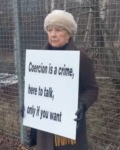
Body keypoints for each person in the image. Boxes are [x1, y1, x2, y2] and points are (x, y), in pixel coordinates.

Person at [25, 10, 98, 150]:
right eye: (49, 30)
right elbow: (36, 90)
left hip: (68, 127)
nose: (53, 35)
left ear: (69, 33)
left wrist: (82, 104)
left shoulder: (80, 58)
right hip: (45, 128)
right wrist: (28, 107)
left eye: (58, 30)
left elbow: (92, 89)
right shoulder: (39, 59)